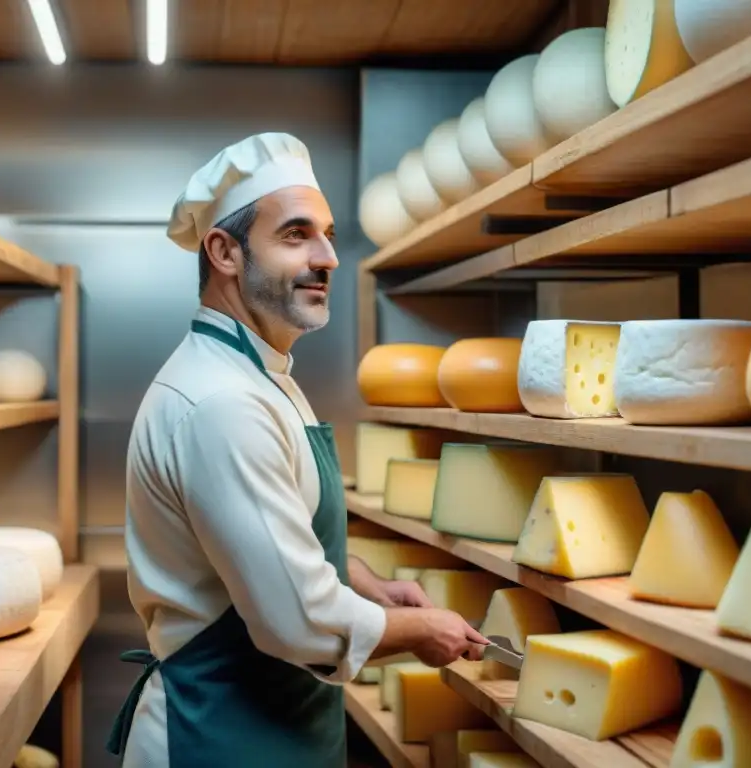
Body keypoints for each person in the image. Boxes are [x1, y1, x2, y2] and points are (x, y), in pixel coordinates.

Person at [106, 132, 488, 767]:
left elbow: (278, 538)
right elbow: (297, 620)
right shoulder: (222, 402)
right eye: (296, 234)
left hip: (274, 727)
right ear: (224, 252)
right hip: (220, 735)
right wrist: (422, 629)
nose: (329, 256)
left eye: (329, 234)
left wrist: (365, 585)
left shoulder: (260, 376)